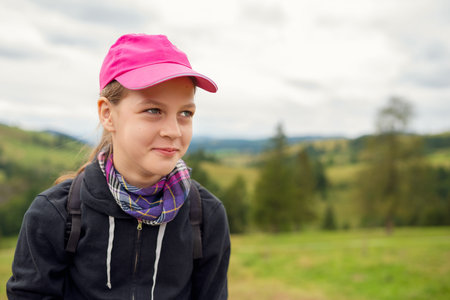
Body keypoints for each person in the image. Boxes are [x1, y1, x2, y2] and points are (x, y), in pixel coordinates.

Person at [7, 33, 230, 299]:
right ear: (107, 114)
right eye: (153, 110)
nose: (173, 131)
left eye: (185, 113)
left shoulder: (206, 216)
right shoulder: (54, 214)